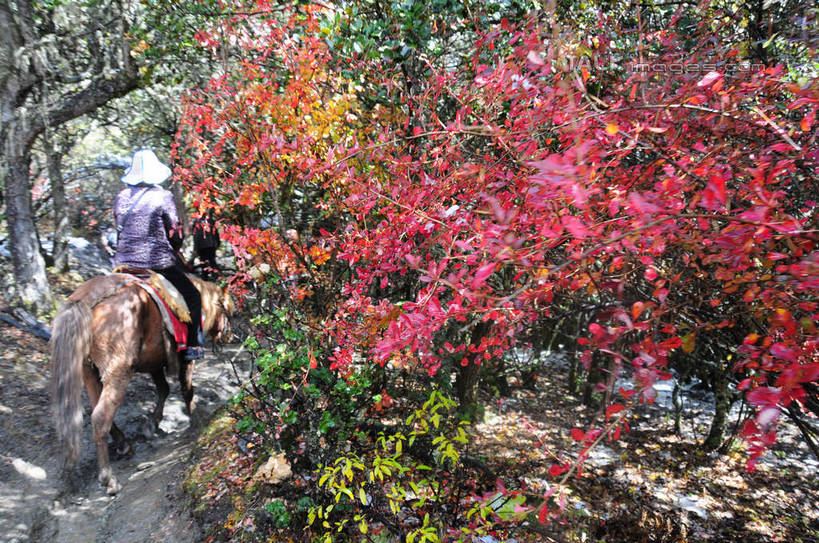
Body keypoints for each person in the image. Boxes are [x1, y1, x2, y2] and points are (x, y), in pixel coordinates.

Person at [113, 149, 204, 361]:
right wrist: (176, 244)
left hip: (123, 263)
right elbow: (174, 230)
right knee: (193, 296)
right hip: (156, 262)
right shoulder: (163, 196)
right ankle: (192, 346)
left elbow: (117, 225)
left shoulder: (121, 197)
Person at [192, 210, 220, 280]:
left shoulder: (196, 222)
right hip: (211, 245)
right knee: (212, 261)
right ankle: (216, 277)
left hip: (202, 246)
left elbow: (196, 236)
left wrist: (195, 248)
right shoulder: (211, 220)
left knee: (203, 262)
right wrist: (217, 243)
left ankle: (205, 278)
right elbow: (215, 233)